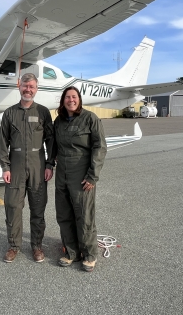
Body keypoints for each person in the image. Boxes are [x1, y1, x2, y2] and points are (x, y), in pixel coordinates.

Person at [0, 73, 55, 263]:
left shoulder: (43, 112)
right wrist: (5, 167)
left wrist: (49, 164)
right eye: (25, 86)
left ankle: (37, 246)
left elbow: (50, 140)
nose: (28, 89)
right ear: (18, 86)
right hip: (16, 165)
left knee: (38, 208)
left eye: (31, 86)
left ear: (36, 89)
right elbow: (3, 142)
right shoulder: (9, 113)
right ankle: (14, 246)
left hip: (38, 165)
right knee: (13, 207)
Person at [53, 86, 107, 272]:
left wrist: (92, 176)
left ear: (79, 99)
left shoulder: (90, 118)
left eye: (74, 97)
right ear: (63, 100)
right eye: (67, 97)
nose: (71, 100)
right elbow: (53, 146)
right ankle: (72, 252)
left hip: (81, 174)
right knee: (64, 215)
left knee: (84, 215)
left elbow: (100, 147)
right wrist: (49, 164)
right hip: (62, 174)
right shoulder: (58, 121)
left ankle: (89, 254)